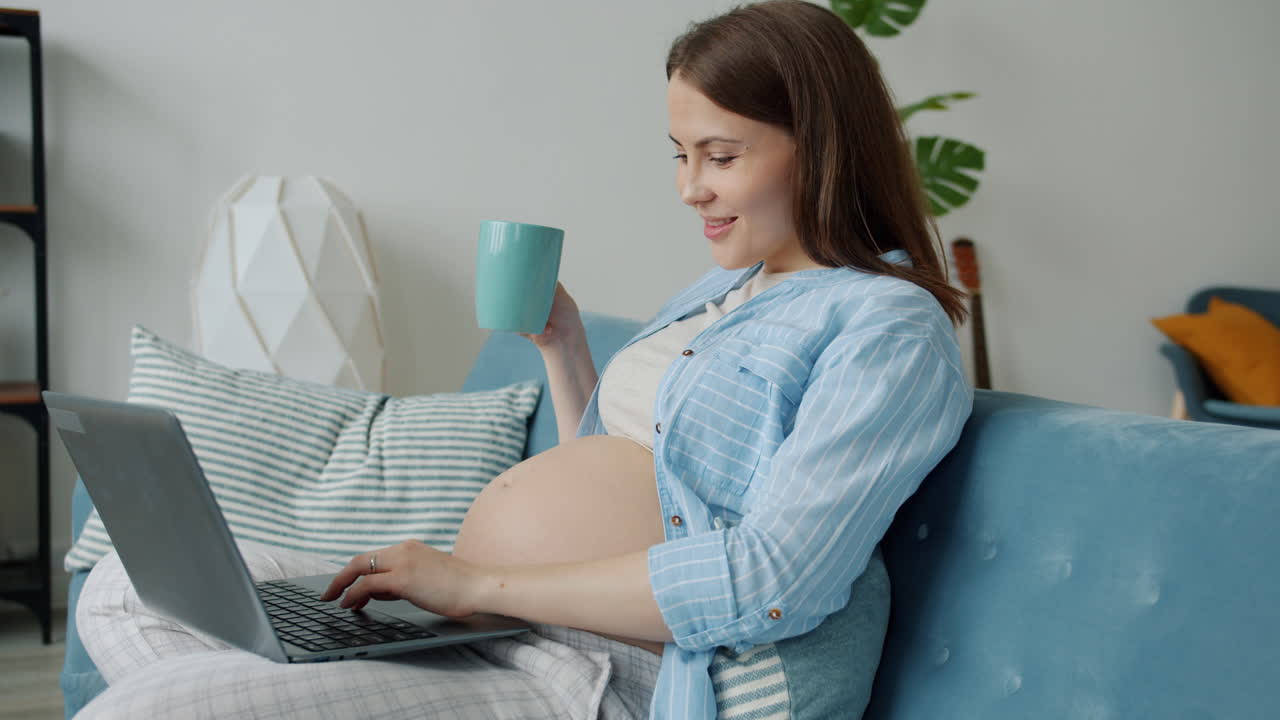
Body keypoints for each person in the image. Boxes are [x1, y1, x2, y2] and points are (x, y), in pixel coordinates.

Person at [76, 1, 972, 718]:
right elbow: (630, 471)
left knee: (158, 706)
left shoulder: (886, 328)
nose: (689, 187)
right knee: (121, 592)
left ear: (821, 149)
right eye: (681, 154)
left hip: (632, 673)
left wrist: (475, 581)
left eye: (721, 156)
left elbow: (774, 582)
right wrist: (565, 348)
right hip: (518, 620)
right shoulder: (724, 289)